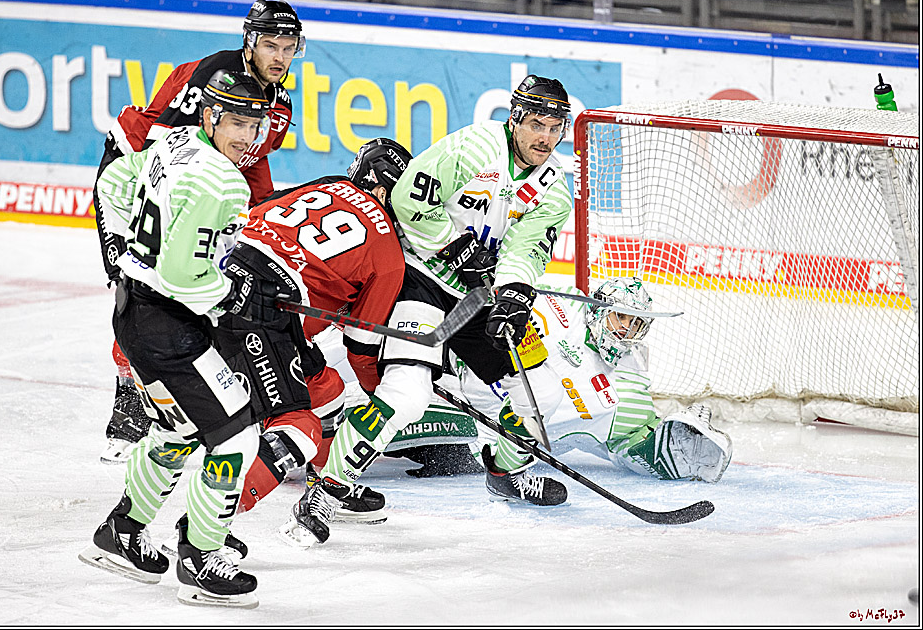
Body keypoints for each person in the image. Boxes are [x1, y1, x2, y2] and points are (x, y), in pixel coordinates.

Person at [280, 74, 576, 548]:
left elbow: (527, 248)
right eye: (536, 124)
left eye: (555, 127)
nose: (545, 137)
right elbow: (409, 198)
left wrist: (514, 294)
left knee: (541, 392)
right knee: (407, 394)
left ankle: (506, 471)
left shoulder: (554, 188)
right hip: (421, 279)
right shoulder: (474, 147)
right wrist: (453, 246)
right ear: (516, 119)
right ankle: (327, 489)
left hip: (478, 295)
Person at [80, 70, 279, 607]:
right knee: (236, 436)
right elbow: (183, 277)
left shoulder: (177, 140)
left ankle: (122, 531)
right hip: (170, 327)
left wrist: (126, 254)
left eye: (255, 125)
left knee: (179, 429)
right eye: (236, 123)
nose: (247, 136)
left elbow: (113, 183)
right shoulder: (223, 182)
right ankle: (201, 555)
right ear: (211, 116)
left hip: (135, 315)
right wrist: (233, 294)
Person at [95, 0, 306, 464]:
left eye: (289, 48)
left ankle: (191, 396)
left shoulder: (280, 101)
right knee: (139, 285)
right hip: (131, 172)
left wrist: (262, 215)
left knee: (193, 288)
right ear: (249, 41)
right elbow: (160, 152)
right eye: (270, 45)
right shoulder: (213, 76)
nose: (279, 57)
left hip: (183, 182)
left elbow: (252, 160)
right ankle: (129, 410)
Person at [212, 138, 413, 528]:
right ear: (385, 190)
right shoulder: (389, 254)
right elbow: (362, 346)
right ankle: (208, 524)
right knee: (298, 426)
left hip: (220, 281)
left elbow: (259, 213)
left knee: (327, 391)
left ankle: (328, 483)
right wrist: (383, 394)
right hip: (266, 312)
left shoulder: (327, 184)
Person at [455, 277, 734, 483]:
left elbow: (633, 447)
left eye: (636, 324)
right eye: (621, 317)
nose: (626, 329)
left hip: (484, 445)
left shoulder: (629, 383)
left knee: (443, 457)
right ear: (601, 309)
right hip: (457, 377)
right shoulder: (561, 303)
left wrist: (675, 447)